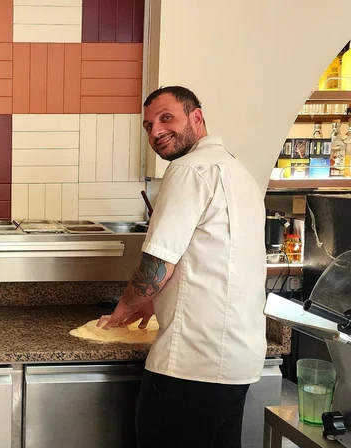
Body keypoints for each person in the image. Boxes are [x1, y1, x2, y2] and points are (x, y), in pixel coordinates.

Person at [98, 86, 267, 448]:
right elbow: (213, 261)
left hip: (192, 363)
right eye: (148, 126)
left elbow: (159, 262)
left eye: (166, 118)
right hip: (237, 360)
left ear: (196, 117)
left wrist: (126, 305)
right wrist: (150, 302)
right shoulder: (238, 172)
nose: (155, 131)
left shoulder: (189, 168)